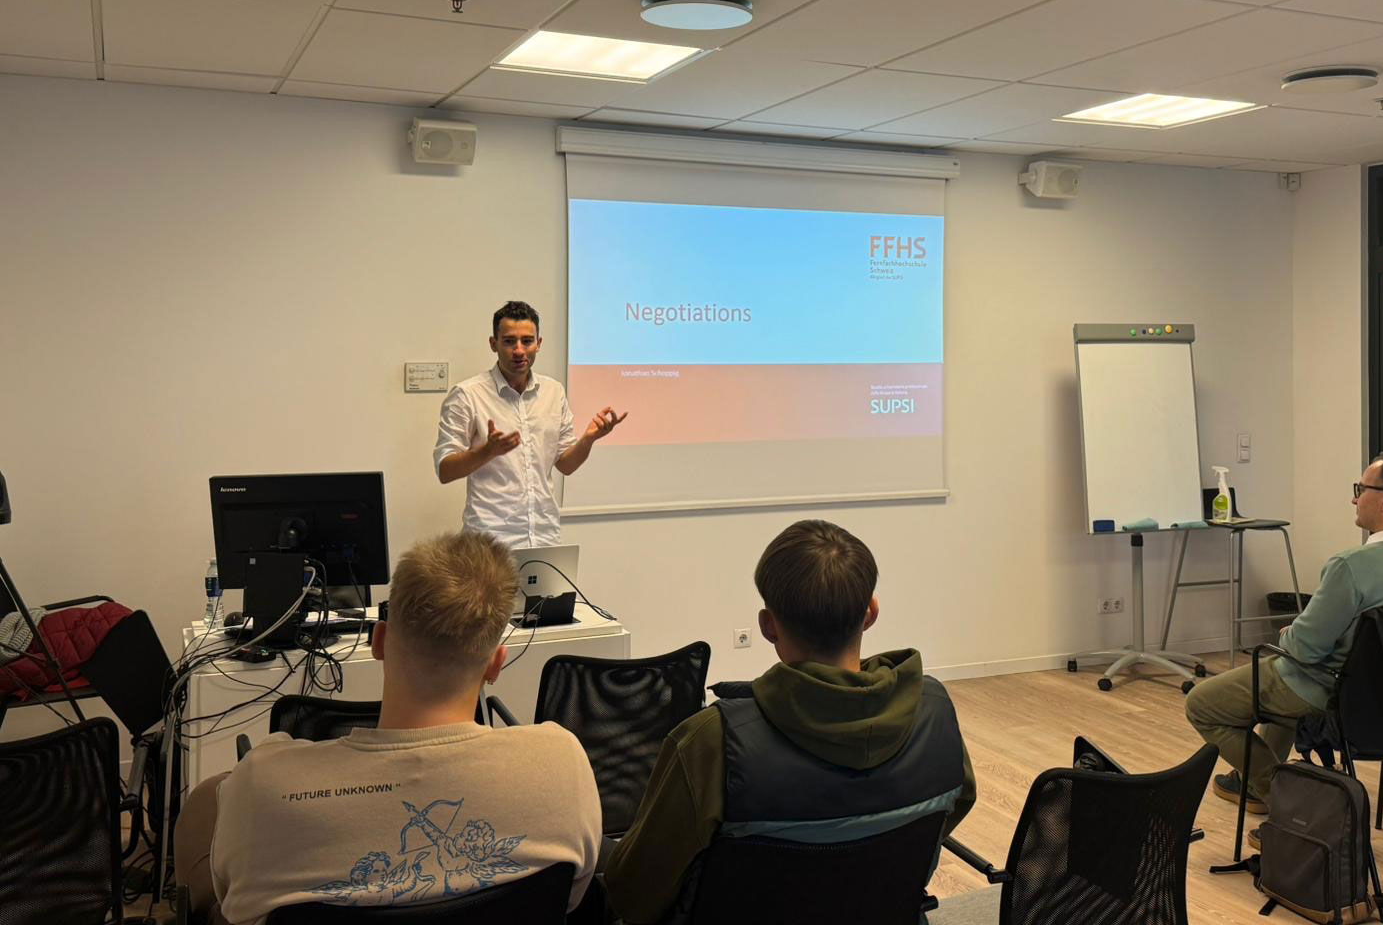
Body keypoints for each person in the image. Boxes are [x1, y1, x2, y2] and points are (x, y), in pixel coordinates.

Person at [173, 533, 602, 924]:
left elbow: (230, 904)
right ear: (496, 664)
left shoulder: (260, 782)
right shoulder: (562, 762)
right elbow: (572, 899)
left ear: (378, 641)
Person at [603, 519, 977, 924]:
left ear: (767, 626)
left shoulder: (711, 741)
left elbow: (633, 893)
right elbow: (951, 811)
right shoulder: (934, 711)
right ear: (871, 613)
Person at [1185, 453, 1383, 831]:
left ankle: (1290, 801)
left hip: (1334, 695)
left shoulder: (1351, 566)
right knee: (1276, 683)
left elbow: (1305, 650)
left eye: (1361, 489)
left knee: (1203, 704)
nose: (1355, 498)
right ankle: (1256, 785)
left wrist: (1290, 633)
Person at [434, 300, 627, 547]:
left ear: (539, 343)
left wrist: (589, 439)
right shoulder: (467, 395)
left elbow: (566, 465)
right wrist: (487, 451)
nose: (519, 350)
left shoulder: (553, 392)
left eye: (527, 341)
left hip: (544, 537)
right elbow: (445, 471)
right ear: (493, 344)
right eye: (509, 341)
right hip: (489, 542)